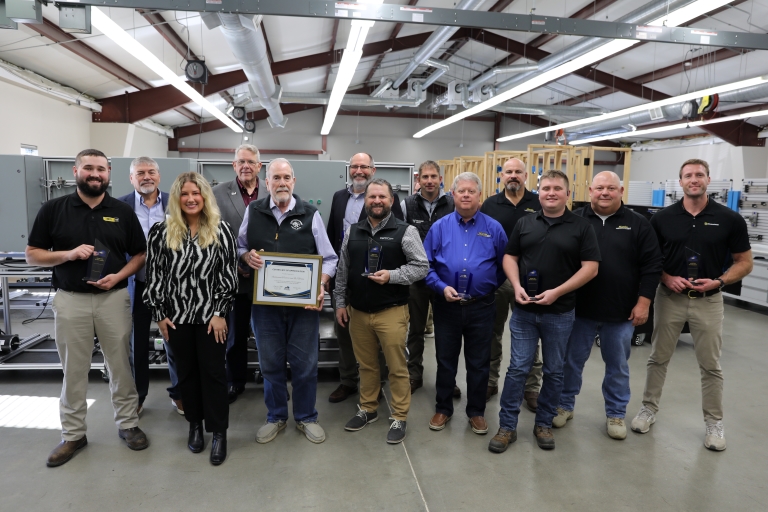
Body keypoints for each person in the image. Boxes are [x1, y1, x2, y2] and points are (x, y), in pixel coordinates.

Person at [26, 149, 149, 467]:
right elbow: (32, 254)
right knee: (74, 370)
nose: (95, 174)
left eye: (101, 169)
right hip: (71, 301)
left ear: (109, 173)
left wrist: (118, 276)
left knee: (120, 365)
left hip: (114, 299)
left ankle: (128, 424)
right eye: (88, 168)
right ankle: (73, 434)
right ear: (75, 171)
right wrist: (67, 255)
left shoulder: (122, 210)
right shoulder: (54, 209)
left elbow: (139, 254)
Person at [631, 159, 753, 451]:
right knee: (658, 357)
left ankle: (714, 422)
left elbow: (744, 262)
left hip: (709, 301)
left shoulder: (729, 219)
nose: (694, 179)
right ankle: (649, 409)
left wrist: (720, 282)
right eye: (688, 175)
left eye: (699, 175)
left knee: (710, 365)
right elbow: (648, 259)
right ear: (680, 181)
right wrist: (666, 276)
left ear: (709, 180)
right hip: (669, 298)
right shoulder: (662, 219)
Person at [490, 169, 600, 453]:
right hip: (525, 311)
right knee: (517, 369)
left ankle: (544, 423)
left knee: (554, 370)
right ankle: (507, 426)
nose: (551, 193)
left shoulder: (581, 226)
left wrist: (557, 292)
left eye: (557, 188)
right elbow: (510, 256)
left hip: (560, 312)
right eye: (546, 188)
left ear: (567, 193)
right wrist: (515, 285)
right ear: (539, 192)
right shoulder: (526, 223)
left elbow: (591, 267)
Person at [552, 172, 662, 439]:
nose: (604, 192)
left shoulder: (639, 223)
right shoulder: (574, 219)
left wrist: (644, 303)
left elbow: (652, 266)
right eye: (599, 187)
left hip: (620, 311)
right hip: (578, 310)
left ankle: (615, 413)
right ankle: (564, 405)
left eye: (611, 188)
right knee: (571, 362)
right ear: (590, 190)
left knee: (617, 366)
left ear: (621, 191)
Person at [239, 158, 338, 444]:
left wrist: (320, 284)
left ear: (293, 182)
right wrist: (246, 257)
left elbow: (329, 258)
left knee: (305, 364)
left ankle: (306, 416)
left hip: (302, 308)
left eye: (286, 177)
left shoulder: (310, 213)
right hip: (265, 307)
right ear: (266, 182)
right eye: (275, 178)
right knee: (270, 364)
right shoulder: (253, 210)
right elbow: (241, 245)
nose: (281, 183)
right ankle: (276, 416)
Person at [144, 172, 237, 465]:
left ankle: (219, 432)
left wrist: (221, 312)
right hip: (176, 319)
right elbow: (155, 276)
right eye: (184, 194)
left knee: (214, 375)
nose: (191, 199)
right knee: (186, 374)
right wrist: (159, 315)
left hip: (213, 319)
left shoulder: (221, 231)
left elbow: (228, 277)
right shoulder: (161, 232)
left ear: (205, 197)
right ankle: (195, 425)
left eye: (196, 194)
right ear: (177, 198)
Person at [335, 179, 429, 443]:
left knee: (397, 367)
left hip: (391, 311)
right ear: (365, 200)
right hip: (358, 312)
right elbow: (342, 270)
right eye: (372, 197)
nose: (377, 201)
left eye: (382, 197)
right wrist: (340, 303)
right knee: (366, 365)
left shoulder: (405, 231)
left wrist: (393, 276)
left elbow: (421, 267)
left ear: (391, 200)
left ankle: (399, 416)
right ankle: (368, 408)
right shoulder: (353, 230)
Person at [423, 172, 507, 436]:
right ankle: (443, 408)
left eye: (472, 191)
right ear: (453, 195)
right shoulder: (439, 227)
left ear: (479, 196)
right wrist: (441, 287)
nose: (467, 195)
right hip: (446, 305)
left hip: (482, 307)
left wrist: (487, 286)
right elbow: (426, 266)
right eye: (462, 191)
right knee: (446, 360)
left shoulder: (494, 228)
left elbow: (505, 265)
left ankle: (476, 412)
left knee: (479, 362)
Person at [326, 153, 404, 403]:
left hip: (377, 279)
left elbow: (399, 235)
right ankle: (348, 380)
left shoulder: (387, 198)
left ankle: (377, 382)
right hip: (345, 276)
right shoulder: (339, 196)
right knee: (344, 330)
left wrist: (391, 274)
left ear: (373, 169)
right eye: (355, 166)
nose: (359, 171)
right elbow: (332, 236)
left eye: (364, 167)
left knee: (378, 335)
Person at [117, 156, 183, 416]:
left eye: (151, 172)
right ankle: (138, 396)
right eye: (140, 172)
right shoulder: (119, 206)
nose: (147, 176)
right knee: (137, 344)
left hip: (171, 287)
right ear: (131, 178)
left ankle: (179, 394)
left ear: (159, 175)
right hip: (137, 284)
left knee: (174, 341)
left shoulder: (175, 202)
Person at [480, 157, 543, 406]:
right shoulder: (489, 205)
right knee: (491, 333)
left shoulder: (538, 203)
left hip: (531, 281)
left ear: (526, 175)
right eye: (509, 172)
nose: (513, 176)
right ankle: (490, 381)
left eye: (518, 172)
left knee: (529, 333)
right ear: (501, 176)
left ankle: (531, 387)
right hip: (496, 280)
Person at [213, 144, 268, 404]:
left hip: (268, 278)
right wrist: (232, 263)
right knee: (234, 335)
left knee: (270, 333)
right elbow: (210, 236)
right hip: (232, 277)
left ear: (259, 166)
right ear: (234, 166)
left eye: (251, 161)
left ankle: (273, 381)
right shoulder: (216, 193)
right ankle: (235, 381)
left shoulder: (273, 189)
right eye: (240, 161)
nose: (245, 166)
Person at [400, 160, 454, 394]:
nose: (430, 181)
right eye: (425, 177)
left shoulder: (452, 203)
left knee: (447, 330)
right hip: (417, 278)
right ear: (418, 180)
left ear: (440, 179)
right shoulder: (406, 205)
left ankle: (447, 380)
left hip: (445, 278)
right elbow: (400, 237)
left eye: (434, 177)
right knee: (416, 330)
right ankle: (414, 374)